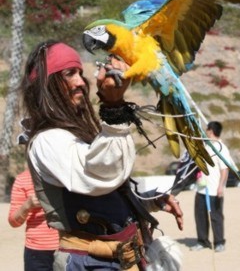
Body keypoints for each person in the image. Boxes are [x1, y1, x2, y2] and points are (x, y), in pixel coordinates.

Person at [21, 40, 183, 271]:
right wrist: (114, 106)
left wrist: (149, 202)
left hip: (120, 260)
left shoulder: (78, 136)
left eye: (79, 72)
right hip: (89, 263)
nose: (80, 82)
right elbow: (98, 177)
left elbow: (107, 197)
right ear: (48, 86)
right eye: (69, 74)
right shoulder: (47, 141)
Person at [190, 121, 234, 253]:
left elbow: (224, 170)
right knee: (200, 216)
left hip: (215, 190)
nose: (205, 132)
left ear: (211, 131)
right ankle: (202, 241)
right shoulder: (206, 146)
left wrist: (221, 187)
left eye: (207, 130)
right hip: (202, 188)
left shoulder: (221, 148)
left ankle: (219, 242)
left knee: (216, 217)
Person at [8, 168, 59, 271]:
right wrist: (27, 205)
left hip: (66, 248)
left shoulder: (64, 175)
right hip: (36, 252)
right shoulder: (22, 179)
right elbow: (13, 222)